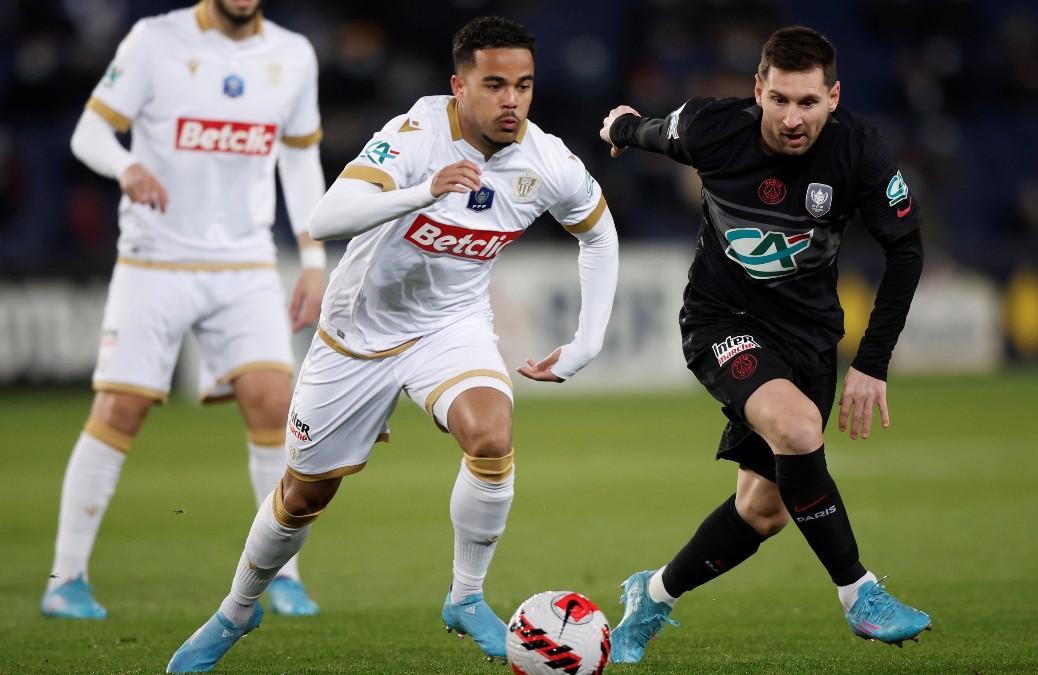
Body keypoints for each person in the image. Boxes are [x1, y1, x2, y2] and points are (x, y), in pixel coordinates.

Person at [166, 15, 619, 672]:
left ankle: (465, 596)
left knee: (492, 434)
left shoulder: (545, 159)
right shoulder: (413, 135)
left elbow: (599, 234)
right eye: (494, 84)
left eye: (523, 84)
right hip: (357, 334)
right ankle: (238, 608)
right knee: (303, 496)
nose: (511, 100)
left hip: (450, 325)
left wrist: (587, 339)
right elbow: (324, 219)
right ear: (458, 87)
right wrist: (421, 191)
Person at [598, 25, 931, 662]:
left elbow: (906, 251)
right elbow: (648, 131)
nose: (792, 117)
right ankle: (859, 592)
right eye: (779, 99)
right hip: (720, 319)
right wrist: (621, 126)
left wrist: (871, 363)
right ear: (758, 89)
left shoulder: (859, 152)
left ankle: (654, 595)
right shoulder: (711, 129)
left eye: (808, 102)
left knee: (764, 509)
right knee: (799, 428)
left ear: (834, 97)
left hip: (807, 337)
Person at [42, 0, 327, 620]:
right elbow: (89, 131)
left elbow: (299, 158)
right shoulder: (154, 40)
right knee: (121, 406)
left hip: (246, 260)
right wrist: (126, 165)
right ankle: (65, 580)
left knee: (276, 403)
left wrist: (313, 256)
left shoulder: (292, 54)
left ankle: (283, 576)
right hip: (155, 257)